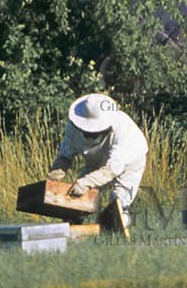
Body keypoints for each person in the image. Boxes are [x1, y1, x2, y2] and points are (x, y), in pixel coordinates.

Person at [47, 92, 148, 234]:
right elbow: (65, 154)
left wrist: (86, 182)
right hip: (95, 162)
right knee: (75, 197)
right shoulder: (73, 128)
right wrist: (53, 177)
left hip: (131, 160)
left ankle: (115, 233)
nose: (89, 134)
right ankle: (73, 235)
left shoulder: (123, 131)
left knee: (118, 201)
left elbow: (113, 168)